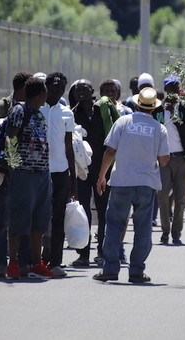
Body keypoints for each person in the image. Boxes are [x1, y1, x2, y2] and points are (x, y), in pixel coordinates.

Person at [93, 87, 169, 283]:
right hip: (146, 184)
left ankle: (110, 268)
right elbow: (163, 161)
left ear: (136, 104)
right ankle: (136, 271)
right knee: (143, 228)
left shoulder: (123, 122)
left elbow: (110, 151)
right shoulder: (159, 128)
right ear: (154, 108)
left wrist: (102, 176)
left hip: (122, 181)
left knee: (114, 226)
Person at [0, 71, 32, 278]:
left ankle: (18, 260)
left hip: (26, 172)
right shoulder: (1, 107)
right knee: (3, 220)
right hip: (5, 172)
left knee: (23, 219)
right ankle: (2, 261)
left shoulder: (33, 107)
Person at [5, 76, 55, 280]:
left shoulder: (39, 114)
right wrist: (13, 165)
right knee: (19, 219)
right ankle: (13, 263)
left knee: (39, 221)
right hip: (24, 174)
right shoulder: (19, 110)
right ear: (42, 93)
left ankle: (36, 263)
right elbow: (11, 137)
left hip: (41, 174)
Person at [71, 79, 120, 267]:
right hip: (81, 172)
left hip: (103, 170)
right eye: (78, 89)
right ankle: (83, 254)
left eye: (85, 89)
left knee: (103, 212)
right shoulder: (72, 114)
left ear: (93, 92)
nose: (81, 92)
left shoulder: (104, 111)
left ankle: (102, 251)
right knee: (83, 212)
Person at [39, 72, 77, 278]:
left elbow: (69, 148)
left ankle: (55, 262)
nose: (58, 90)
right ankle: (35, 260)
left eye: (62, 87)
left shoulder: (66, 113)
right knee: (38, 217)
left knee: (58, 219)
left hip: (61, 172)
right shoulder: (36, 109)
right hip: (39, 172)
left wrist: (73, 181)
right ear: (46, 86)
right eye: (54, 86)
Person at [153, 75, 185, 245]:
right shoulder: (157, 110)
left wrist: (174, 116)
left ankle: (176, 233)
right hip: (163, 159)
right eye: (170, 87)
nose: (174, 90)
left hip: (180, 158)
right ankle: (165, 230)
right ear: (166, 90)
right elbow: (156, 131)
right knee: (162, 195)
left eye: (176, 87)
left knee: (180, 197)